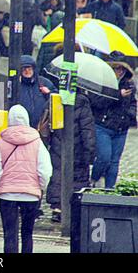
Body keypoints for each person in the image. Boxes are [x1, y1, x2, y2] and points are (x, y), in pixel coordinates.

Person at [0, 105, 52, 253]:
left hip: (7, 195)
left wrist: (0, 185)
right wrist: (40, 187)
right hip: (30, 195)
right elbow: (45, 171)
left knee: (9, 234)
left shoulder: (1, 142)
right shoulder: (37, 142)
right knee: (27, 233)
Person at [46, 89, 96, 222]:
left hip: (57, 143)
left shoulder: (55, 98)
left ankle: (57, 207)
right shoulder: (83, 102)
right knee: (77, 176)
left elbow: (46, 122)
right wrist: (90, 152)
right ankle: (74, 206)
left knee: (57, 172)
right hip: (78, 146)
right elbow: (87, 130)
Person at [90, 59, 137, 188]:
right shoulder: (102, 82)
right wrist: (118, 95)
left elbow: (133, 102)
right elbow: (96, 102)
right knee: (104, 157)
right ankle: (93, 179)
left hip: (121, 128)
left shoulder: (128, 84)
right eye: (116, 69)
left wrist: (131, 113)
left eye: (121, 69)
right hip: (103, 126)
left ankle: (109, 189)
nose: (119, 72)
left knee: (114, 161)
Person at [19, 55, 57, 130]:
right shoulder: (15, 85)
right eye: (24, 69)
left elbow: (56, 101)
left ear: (34, 69)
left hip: (42, 127)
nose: (27, 71)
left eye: (29, 68)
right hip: (22, 127)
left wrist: (49, 93)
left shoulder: (44, 82)